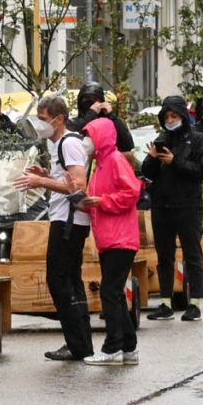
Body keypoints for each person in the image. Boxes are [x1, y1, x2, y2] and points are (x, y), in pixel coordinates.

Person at [15, 94, 95, 362]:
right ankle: (80, 343)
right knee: (69, 281)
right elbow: (67, 182)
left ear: (59, 119)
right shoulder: (59, 143)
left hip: (69, 221)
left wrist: (42, 183)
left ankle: (77, 344)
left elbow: (79, 185)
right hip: (68, 219)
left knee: (60, 281)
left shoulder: (69, 143)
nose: (40, 125)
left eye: (43, 119)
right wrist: (47, 177)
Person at [140, 93, 203, 322]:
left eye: (174, 116)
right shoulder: (162, 139)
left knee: (192, 253)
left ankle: (195, 303)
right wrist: (152, 158)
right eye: (167, 116)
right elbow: (148, 173)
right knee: (165, 255)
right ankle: (165, 302)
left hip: (188, 204)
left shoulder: (197, 139)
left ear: (182, 115)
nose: (170, 120)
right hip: (162, 204)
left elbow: (201, 170)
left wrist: (175, 162)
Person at [84, 114, 144, 366]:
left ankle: (113, 348)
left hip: (120, 237)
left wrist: (102, 202)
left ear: (101, 137)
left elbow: (132, 192)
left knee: (110, 291)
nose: (86, 141)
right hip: (109, 238)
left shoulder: (115, 160)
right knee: (115, 293)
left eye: (89, 135)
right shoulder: (98, 165)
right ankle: (128, 347)